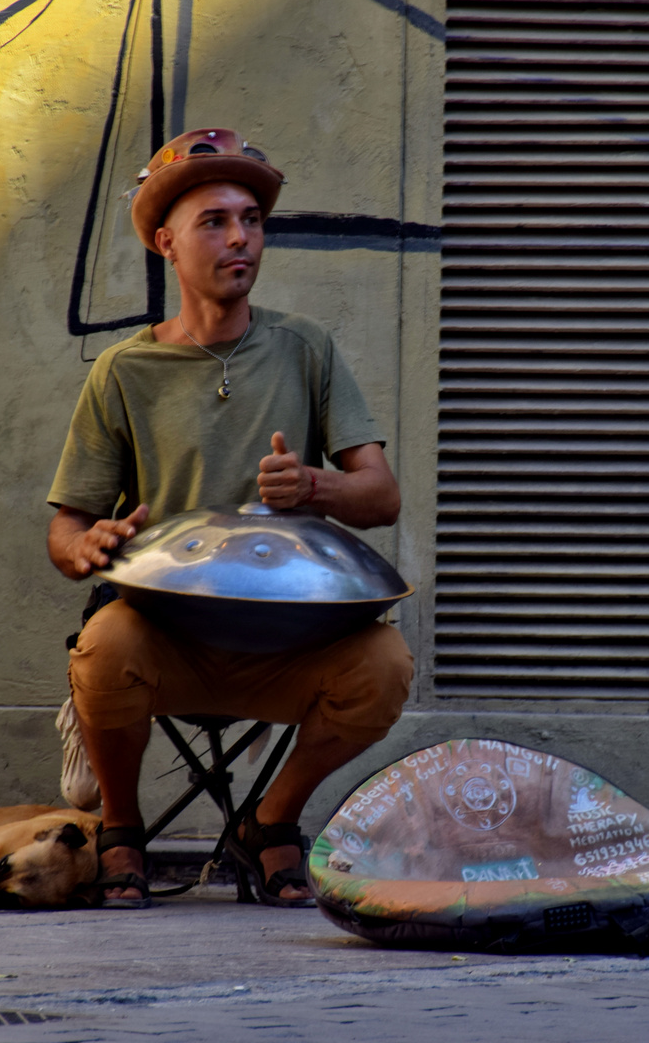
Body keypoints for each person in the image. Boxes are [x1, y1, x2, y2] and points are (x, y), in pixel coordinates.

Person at [45, 128, 415, 908]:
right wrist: (91, 545)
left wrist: (314, 487)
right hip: (168, 636)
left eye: (252, 218)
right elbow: (66, 530)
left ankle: (271, 820)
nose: (240, 236)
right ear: (165, 243)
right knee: (104, 642)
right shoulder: (123, 370)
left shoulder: (306, 348)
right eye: (214, 221)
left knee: (383, 665)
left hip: (287, 642)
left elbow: (381, 498)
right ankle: (121, 828)